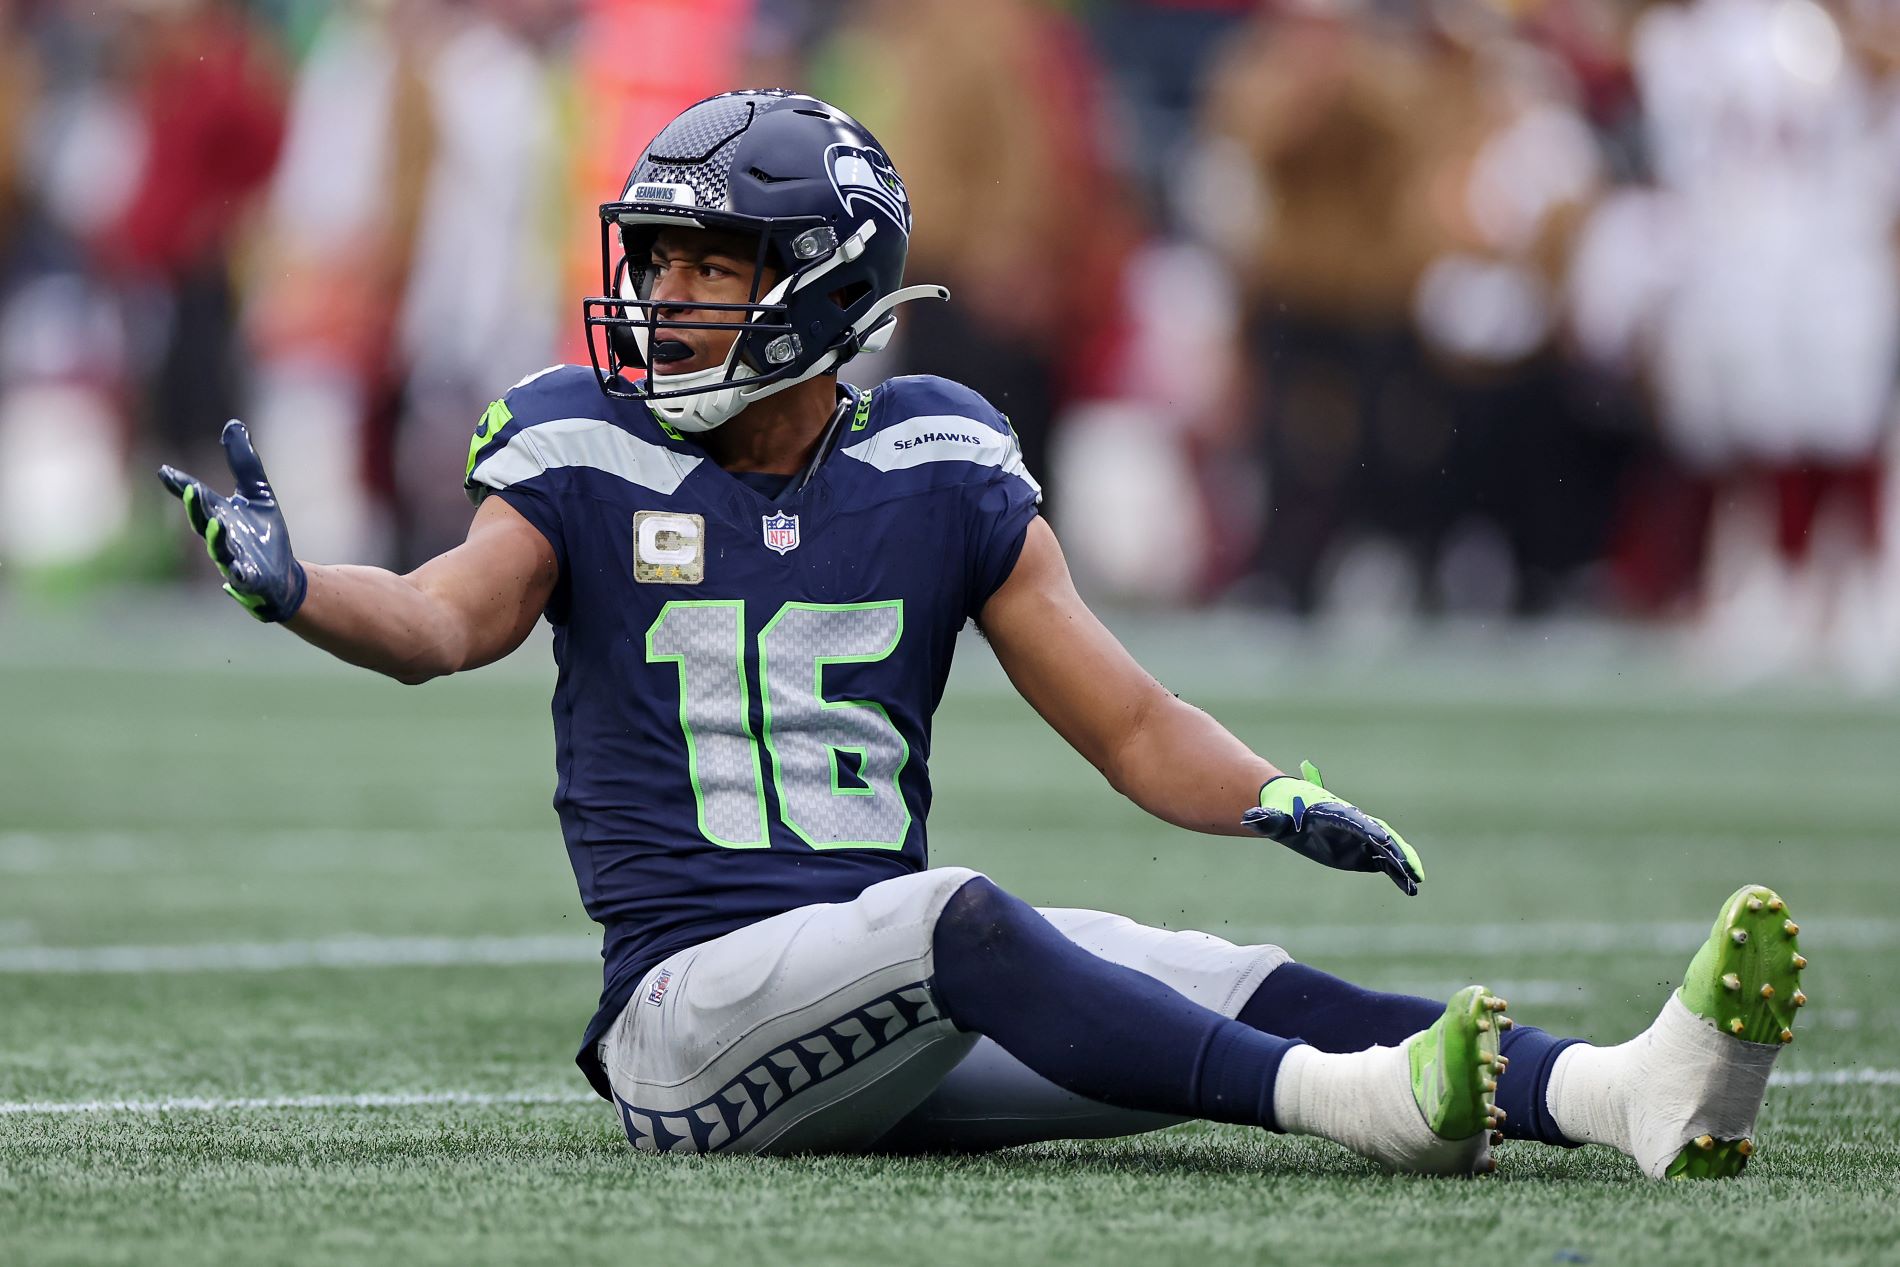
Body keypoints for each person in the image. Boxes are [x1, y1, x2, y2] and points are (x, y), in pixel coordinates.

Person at [158, 90, 1804, 1177]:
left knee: (1216, 970)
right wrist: (303, 592)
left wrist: (1271, 797)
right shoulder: (582, 442)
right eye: (652, 264)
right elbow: (444, 622)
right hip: (688, 1027)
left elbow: (1129, 719)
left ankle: (1615, 1093)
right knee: (959, 914)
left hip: (886, 1000)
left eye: (705, 269)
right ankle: (1361, 1114)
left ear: (818, 285)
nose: (660, 302)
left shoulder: (937, 454)